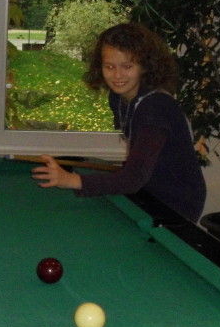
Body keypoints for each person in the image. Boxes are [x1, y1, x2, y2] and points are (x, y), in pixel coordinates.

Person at [31, 23, 206, 222]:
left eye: (127, 66)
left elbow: (134, 178)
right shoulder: (119, 98)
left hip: (176, 203)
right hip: (150, 190)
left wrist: (71, 180)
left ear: (145, 66)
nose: (117, 75)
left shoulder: (154, 108)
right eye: (109, 66)